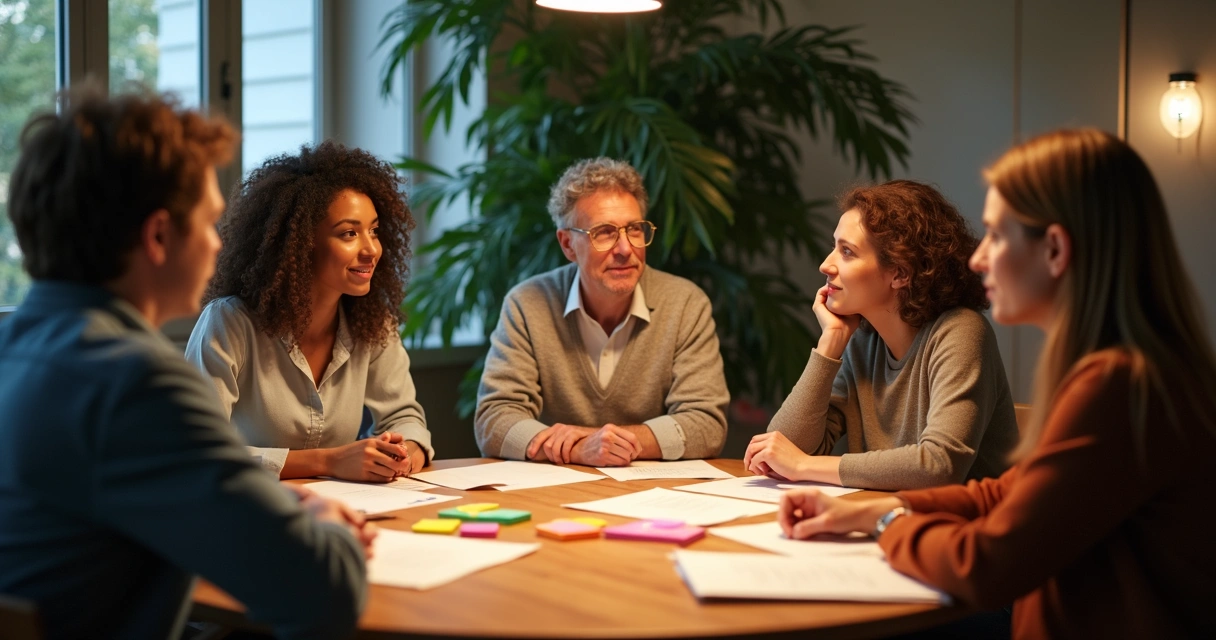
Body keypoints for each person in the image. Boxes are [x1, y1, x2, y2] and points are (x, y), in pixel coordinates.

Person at [778, 130, 1216, 638]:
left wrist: (884, 524)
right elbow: (1007, 493)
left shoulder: (1121, 387)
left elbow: (986, 564)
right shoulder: (1117, 371)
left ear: (1055, 250)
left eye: (996, 236)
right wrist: (880, 509)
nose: (978, 258)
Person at [0, 87, 372, 639]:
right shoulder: (137, 383)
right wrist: (320, 522)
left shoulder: (15, 351)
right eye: (207, 222)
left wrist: (260, 503)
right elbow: (324, 595)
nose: (218, 245)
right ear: (158, 236)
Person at [745, 180, 1018, 490]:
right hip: (887, 513)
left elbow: (940, 465)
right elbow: (783, 450)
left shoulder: (961, 331)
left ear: (900, 273)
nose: (825, 265)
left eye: (847, 252)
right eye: (834, 247)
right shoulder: (863, 342)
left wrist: (802, 465)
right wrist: (830, 344)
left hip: (969, 519)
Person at [186, 141, 432, 482]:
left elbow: (405, 417)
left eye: (374, 231)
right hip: (245, 505)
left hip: (344, 506)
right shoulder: (229, 322)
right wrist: (329, 462)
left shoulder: (373, 323)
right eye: (349, 233)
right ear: (300, 243)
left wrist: (403, 454)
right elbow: (195, 449)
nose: (371, 249)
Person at [475, 157, 729, 466]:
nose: (625, 249)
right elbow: (494, 420)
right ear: (568, 244)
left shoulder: (685, 303)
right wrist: (579, 449)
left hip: (652, 490)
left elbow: (706, 425)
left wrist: (605, 442)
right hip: (557, 488)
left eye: (634, 229)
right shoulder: (527, 304)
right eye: (605, 232)